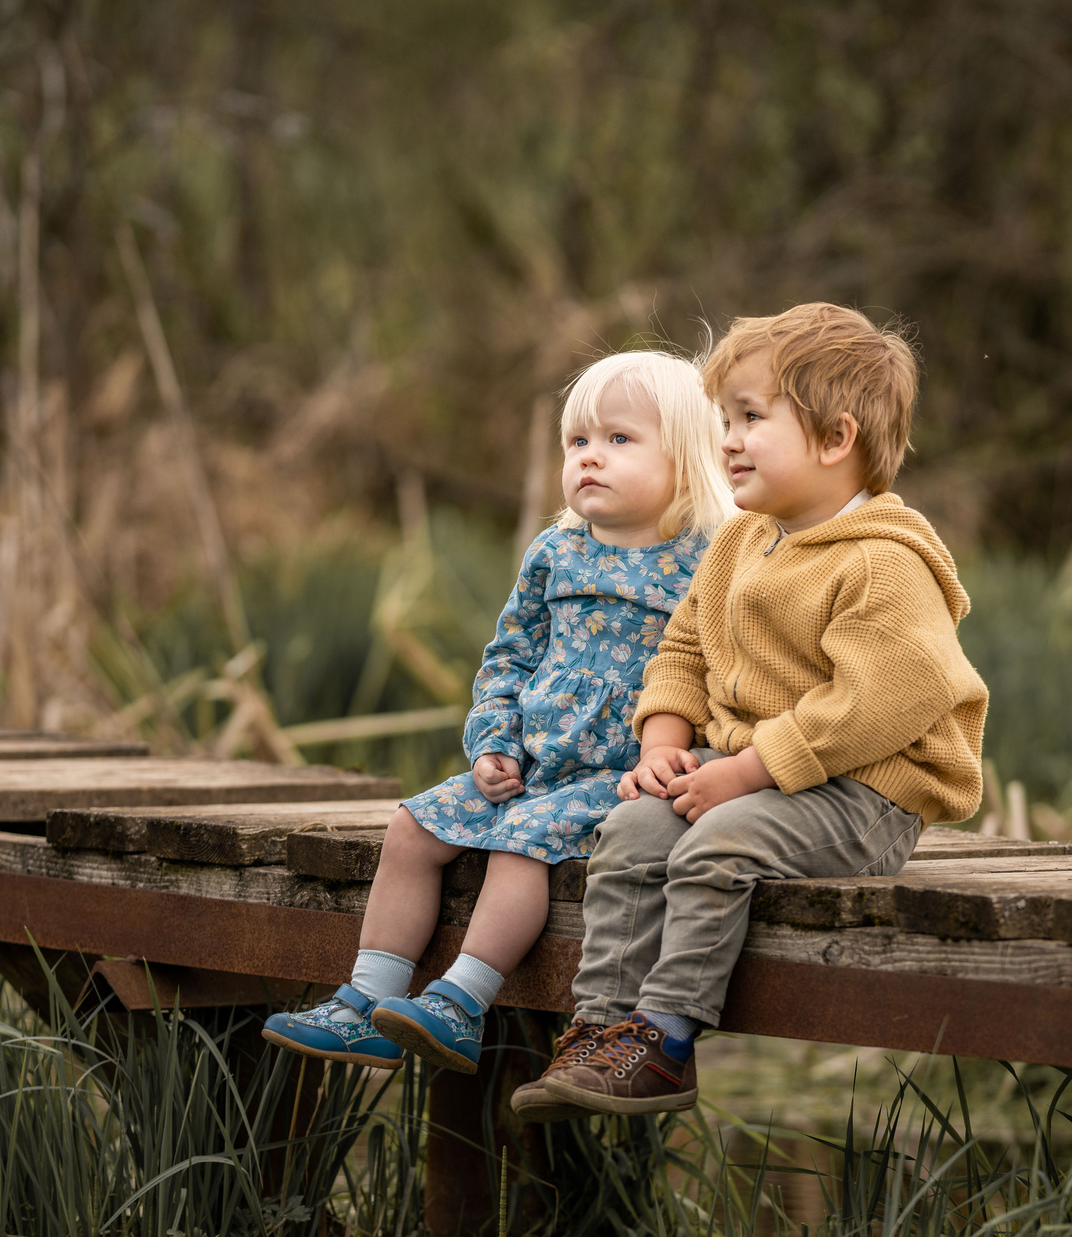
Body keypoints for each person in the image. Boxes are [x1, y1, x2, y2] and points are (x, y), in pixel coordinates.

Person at [512, 303, 989, 1119]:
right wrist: (663, 742)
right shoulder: (741, 542)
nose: (726, 437)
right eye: (724, 418)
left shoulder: (881, 561)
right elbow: (685, 648)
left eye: (750, 418)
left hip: (864, 796)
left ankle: (665, 1040)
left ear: (836, 440)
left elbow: (885, 697)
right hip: (753, 777)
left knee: (719, 844)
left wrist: (749, 770)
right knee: (630, 832)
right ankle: (600, 1030)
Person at [262, 350, 733, 1075]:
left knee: (520, 843)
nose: (589, 460)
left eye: (618, 440)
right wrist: (493, 742)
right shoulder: (555, 552)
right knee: (412, 828)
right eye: (577, 442)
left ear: (687, 456)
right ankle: (367, 1002)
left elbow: (717, 677)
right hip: (532, 766)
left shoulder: (709, 562)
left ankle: (459, 1004)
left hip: (616, 778)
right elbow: (508, 658)